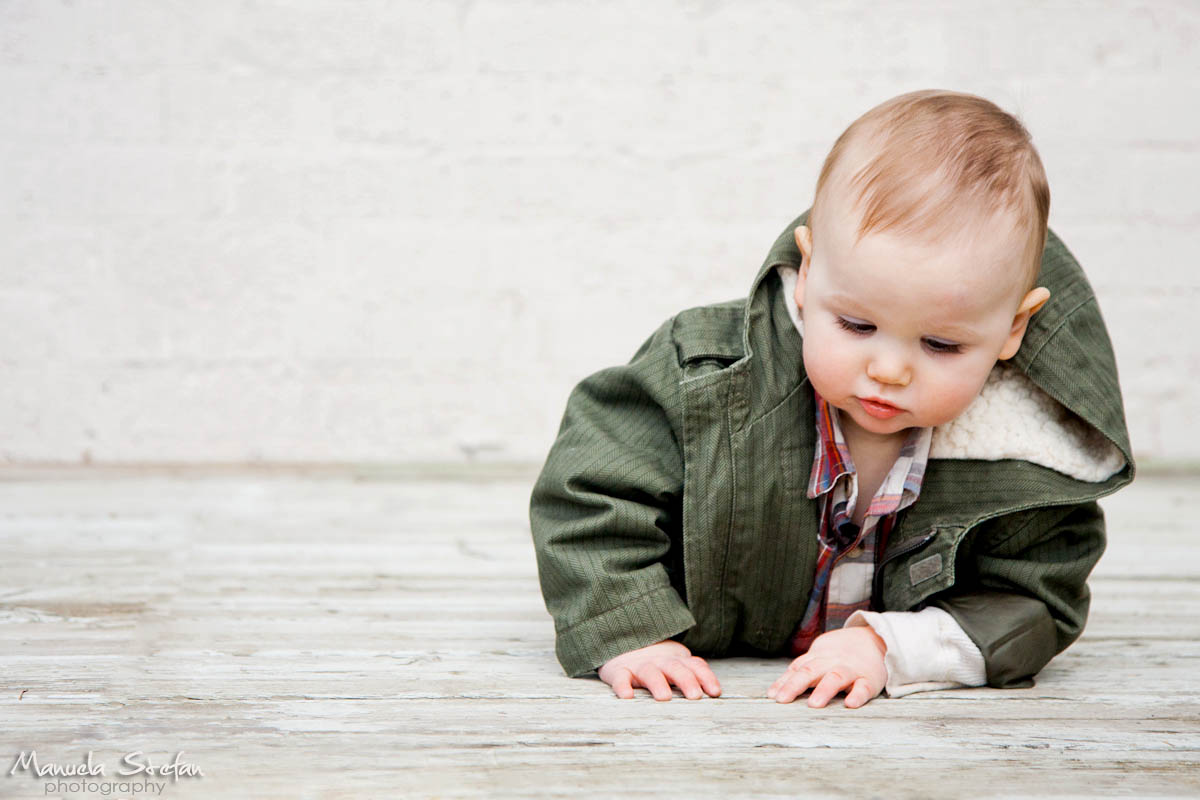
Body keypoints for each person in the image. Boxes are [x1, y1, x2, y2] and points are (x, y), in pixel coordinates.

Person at [528, 89, 1134, 708]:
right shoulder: (705, 377)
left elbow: (1034, 604)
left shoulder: (1034, 462)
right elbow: (591, 493)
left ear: (1012, 328)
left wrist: (891, 646)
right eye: (857, 325)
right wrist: (631, 629)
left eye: (941, 344)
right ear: (810, 269)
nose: (890, 369)